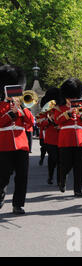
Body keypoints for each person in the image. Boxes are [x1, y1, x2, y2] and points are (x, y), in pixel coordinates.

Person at [0, 65, 32, 215]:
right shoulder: (1, 105)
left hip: (21, 145)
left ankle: (18, 204)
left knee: (22, 177)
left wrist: (22, 109)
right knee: (3, 175)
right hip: (4, 145)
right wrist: (11, 113)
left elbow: (30, 122)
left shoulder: (22, 106)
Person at [54, 79, 82, 197]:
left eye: (74, 97)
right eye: (70, 98)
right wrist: (68, 112)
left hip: (81, 140)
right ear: (66, 97)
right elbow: (57, 120)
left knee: (80, 167)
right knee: (65, 165)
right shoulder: (59, 108)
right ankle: (62, 181)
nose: (72, 99)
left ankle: (78, 189)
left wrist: (81, 114)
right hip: (66, 140)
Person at [39, 88, 61, 186]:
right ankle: (50, 176)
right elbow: (39, 122)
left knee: (61, 160)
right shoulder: (46, 109)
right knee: (53, 158)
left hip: (61, 137)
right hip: (50, 138)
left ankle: (60, 180)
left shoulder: (62, 108)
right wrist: (48, 121)